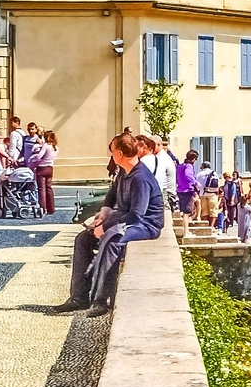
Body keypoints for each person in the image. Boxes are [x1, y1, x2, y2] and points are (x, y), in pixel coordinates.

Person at [58, 132, 165, 316]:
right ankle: (79, 297)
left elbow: (137, 215)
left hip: (147, 225)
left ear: (120, 154)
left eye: (112, 152)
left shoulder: (140, 178)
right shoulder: (125, 170)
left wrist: (105, 227)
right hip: (128, 219)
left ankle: (102, 300)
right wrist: (104, 212)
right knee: (83, 239)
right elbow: (112, 193)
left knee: (112, 240)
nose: (111, 155)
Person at [23, 129, 56, 215]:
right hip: (50, 168)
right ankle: (51, 208)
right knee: (49, 188)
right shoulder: (55, 146)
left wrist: (32, 158)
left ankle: (42, 208)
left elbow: (39, 156)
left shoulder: (46, 145)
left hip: (42, 168)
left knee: (41, 189)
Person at [177, 148, 201, 216]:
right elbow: (188, 174)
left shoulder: (181, 166)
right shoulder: (189, 166)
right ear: (193, 159)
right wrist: (195, 183)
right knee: (186, 213)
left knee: (182, 211)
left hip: (180, 189)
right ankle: (186, 226)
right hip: (187, 190)